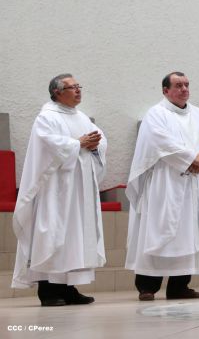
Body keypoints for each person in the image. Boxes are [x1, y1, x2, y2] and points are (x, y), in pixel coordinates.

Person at [11, 74, 107, 306]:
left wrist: (95, 145)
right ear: (57, 92)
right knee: (54, 234)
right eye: (72, 87)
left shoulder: (82, 117)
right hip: (55, 190)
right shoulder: (47, 118)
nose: (78, 91)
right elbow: (47, 146)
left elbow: (99, 140)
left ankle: (68, 288)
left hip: (80, 189)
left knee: (76, 237)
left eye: (78, 87)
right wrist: (78, 144)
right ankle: (48, 291)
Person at [125, 72, 199, 301]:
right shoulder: (156, 114)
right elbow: (160, 141)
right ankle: (147, 286)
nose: (184, 89)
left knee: (189, 232)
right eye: (178, 85)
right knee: (158, 228)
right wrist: (191, 159)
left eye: (187, 85)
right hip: (164, 183)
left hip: (194, 185)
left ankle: (179, 286)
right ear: (165, 90)